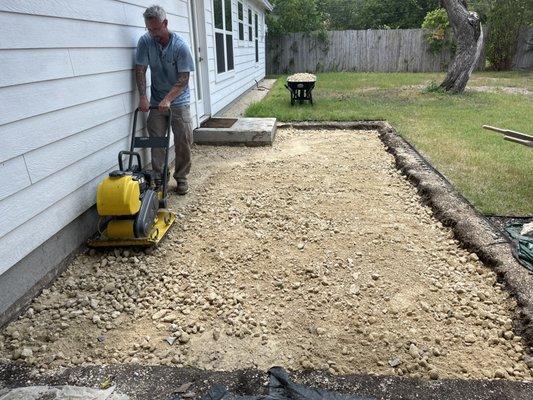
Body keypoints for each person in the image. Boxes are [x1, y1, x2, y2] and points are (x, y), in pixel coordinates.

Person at [135, 5, 195, 195]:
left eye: (156, 29)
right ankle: (160, 177)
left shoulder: (180, 46)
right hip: (156, 99)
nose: (152, 33)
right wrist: (143, 97)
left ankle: (182, 177)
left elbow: (184, 79)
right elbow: (140, 69)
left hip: (179, 100)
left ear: (165, 23)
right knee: (157, 141)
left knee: (183, 139)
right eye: (149, 29)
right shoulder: (145, 42)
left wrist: (168, 99)